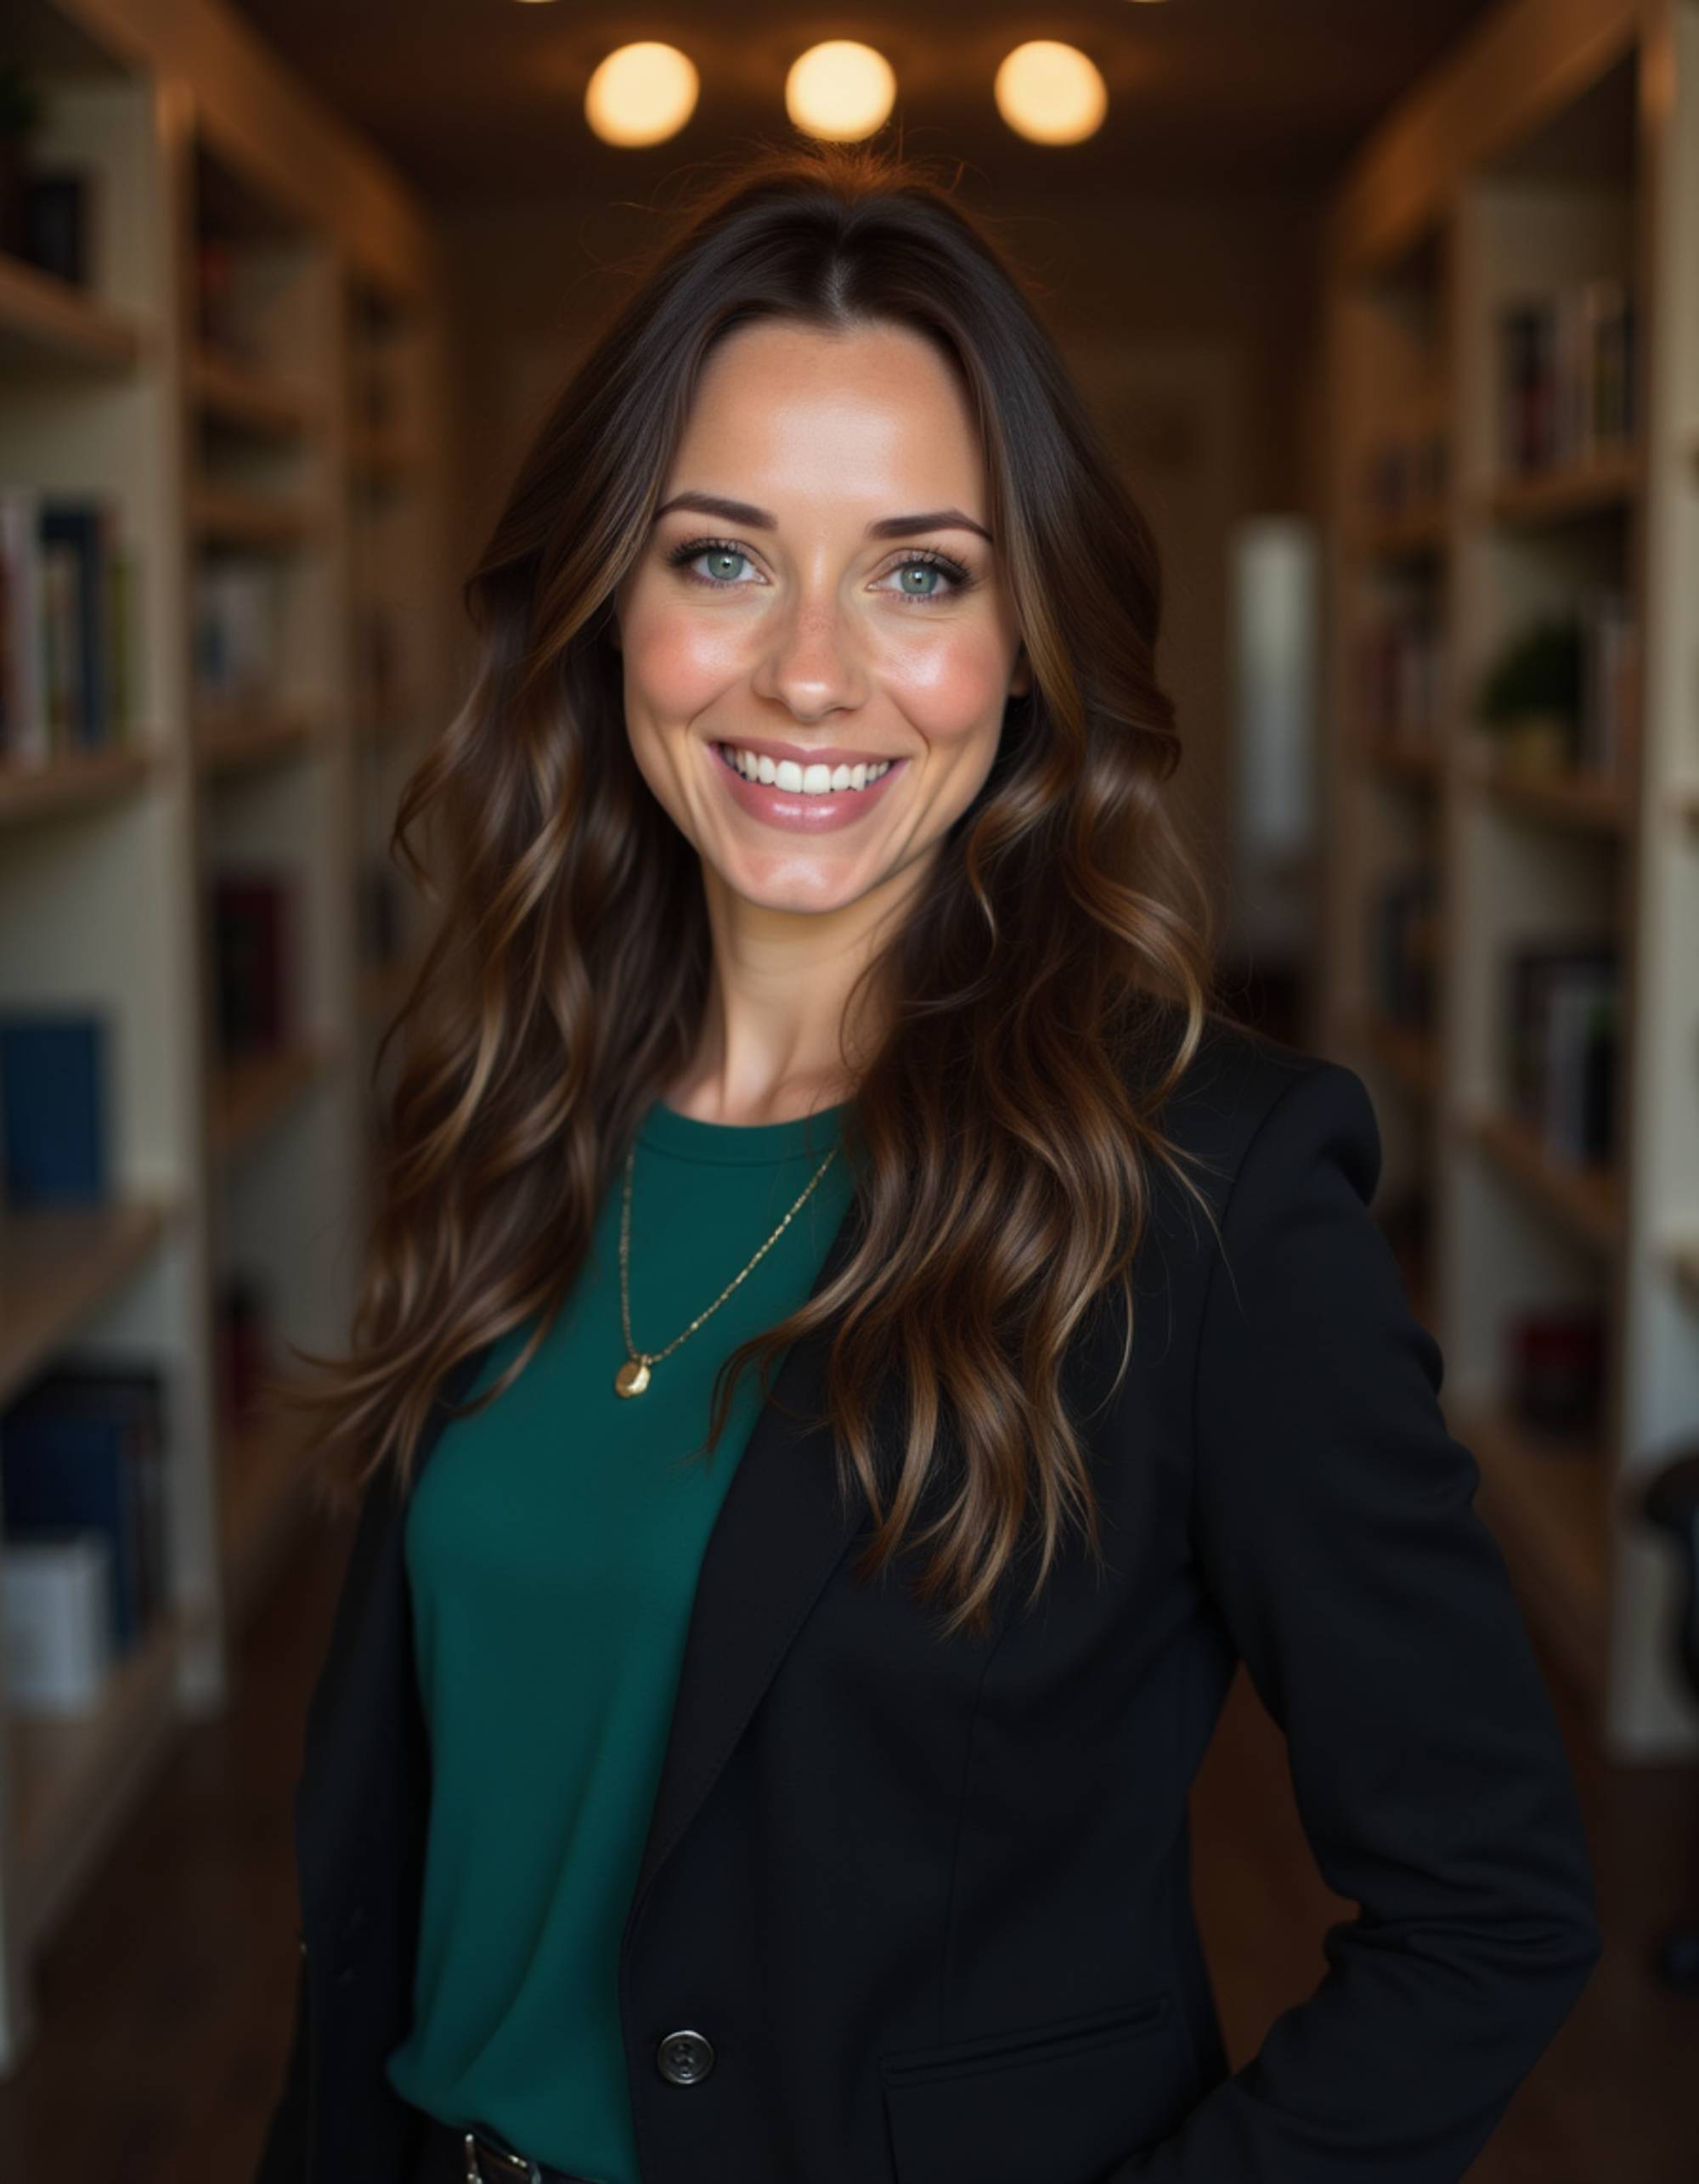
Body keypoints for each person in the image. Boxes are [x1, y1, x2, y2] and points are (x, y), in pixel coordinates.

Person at [253, 140, 1601, 2184]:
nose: (810, 668)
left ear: (1028, 639)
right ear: (607, 598)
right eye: (720, 555)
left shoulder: (1207, 1192)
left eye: (918, 570)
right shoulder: (513, 1105)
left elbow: (1489, 1906)